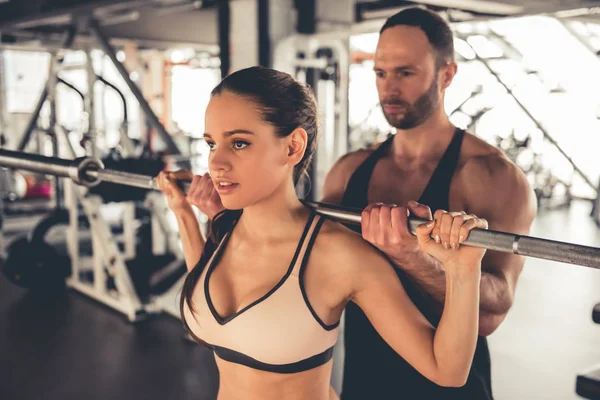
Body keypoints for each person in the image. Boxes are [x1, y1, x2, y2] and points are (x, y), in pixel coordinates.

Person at [156, 65, 489, 400]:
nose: (216, 163)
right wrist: (183, 213)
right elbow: (201, 291)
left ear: (292, 147)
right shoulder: (224, 229)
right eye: (212, 144)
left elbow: (447, 370)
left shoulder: (339, 255)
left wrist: (463, 270)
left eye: (239, 143)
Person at [320, 7, 538, 400]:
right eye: (380, 73)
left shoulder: (492, 176)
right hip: (363, 383)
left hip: (451, 387)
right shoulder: (347, 172)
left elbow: (494, 308)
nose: (389, 88)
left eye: (405, 73)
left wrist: (412, 257)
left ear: (447, 75)